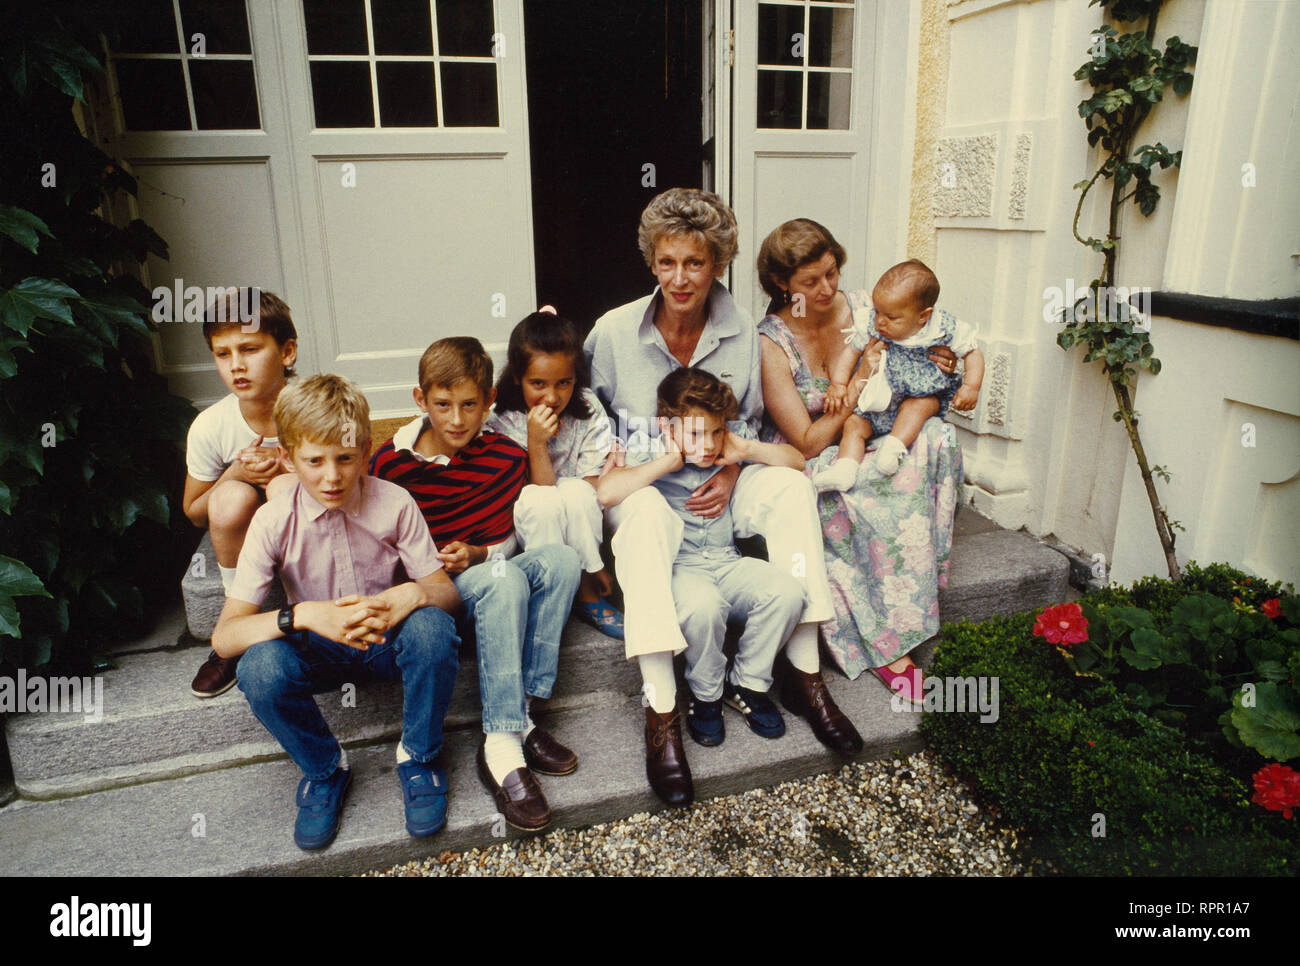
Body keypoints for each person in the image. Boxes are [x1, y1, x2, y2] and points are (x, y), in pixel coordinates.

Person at [586, 188, 863, 808]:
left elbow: (756, 429)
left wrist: (735, 469)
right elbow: (584, 417)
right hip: (647, 489)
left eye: (696, 262)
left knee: (790, 485)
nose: (680, 278)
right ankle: (662, 706)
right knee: (644, 514)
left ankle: (805, 674)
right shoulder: (612, 333)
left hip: (722, 487)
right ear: (651, 262)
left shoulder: (744, 333)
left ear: (718, 264)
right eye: (667, 262)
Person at [212, 374, 462, 851]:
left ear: (365, 452)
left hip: (386, 641)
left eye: (345, 458)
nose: (332, 477)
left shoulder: (395, 503)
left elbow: (447, 595)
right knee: (259, 667)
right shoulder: (272, 520)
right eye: (314, 461)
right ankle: (325, 770)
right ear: (288, 459)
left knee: (433, 628)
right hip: (318, 650)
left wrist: (412, 594)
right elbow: (225, 638)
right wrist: (303, 615)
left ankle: (419, 756)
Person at [370, 337, 581, 833]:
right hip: (433, 599)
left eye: (469, 405)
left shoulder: (503, 456)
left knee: (560, 559)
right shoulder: (390, 464)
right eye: (443, 405)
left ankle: (523, 713)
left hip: (488, 577)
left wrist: (480, 553)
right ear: (421, 400)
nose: (457, 419)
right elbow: (377, 548)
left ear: (489, 401)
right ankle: (500, 747)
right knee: (499, 582)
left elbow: (510, 538)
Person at [756, 219, 964, 702]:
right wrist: (856, 384)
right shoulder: (771, 341)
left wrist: (943, 364)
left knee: (935, 435)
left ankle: (916, 589)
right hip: (819, 449)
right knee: (845, 485)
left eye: (832, 272)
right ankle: (884, 642)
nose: (827, 288)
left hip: (880, 428)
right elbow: (806, 443)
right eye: (810, 281)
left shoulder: (869, 310)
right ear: (782, 283)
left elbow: (927, 367)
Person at [597, 368, 808, 753]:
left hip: (727, 562)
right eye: (696, 433)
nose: (708, 444)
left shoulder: (727, 447)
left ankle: (748, 683)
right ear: (668, 427)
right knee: (703, 607)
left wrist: (746, 451)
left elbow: (797, 461)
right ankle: (706, 693)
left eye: (715, 431)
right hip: (682, 569)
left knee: (788, 593)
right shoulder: (651, 449)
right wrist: (668, 462)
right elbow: (606, 492)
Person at [183, 287, 300, 699]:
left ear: (287, 352)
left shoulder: (315, 406)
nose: (236, 365)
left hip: (310, 524)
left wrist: (288, 469)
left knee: (285, 487)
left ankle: (306, 611)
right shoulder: (212, 425)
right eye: (223, 353)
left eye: (250, 349)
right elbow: (195, 512)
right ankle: (236, 625)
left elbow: (356, 484)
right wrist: (236, 472)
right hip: (244, 531)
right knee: (229, 498)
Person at [485, 309, 622, 638]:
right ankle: (550, 592)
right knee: (542, 499)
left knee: (575, 491)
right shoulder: (502, 420)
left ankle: (587, 588)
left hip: (582, 520)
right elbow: (535, 490)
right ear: (517, 377)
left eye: (564, 382)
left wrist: (592, 560)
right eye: (538, 383)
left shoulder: (586, 407)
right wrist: (536, 442)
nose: (552, 396)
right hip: (532, 528)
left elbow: (591, 487)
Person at [814, 259, 983, 488]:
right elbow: (851, 351)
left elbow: (972, 352)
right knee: (853, 424)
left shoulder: (942, 327)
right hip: (880, 401)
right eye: (877, 312)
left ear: (923, 316)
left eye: (891, 317)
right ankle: (844, 470)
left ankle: (893, 448)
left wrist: (971, 386)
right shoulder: (872, 324)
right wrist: (838, 384)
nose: (880, 321)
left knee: (919, 406)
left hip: (919, 396)